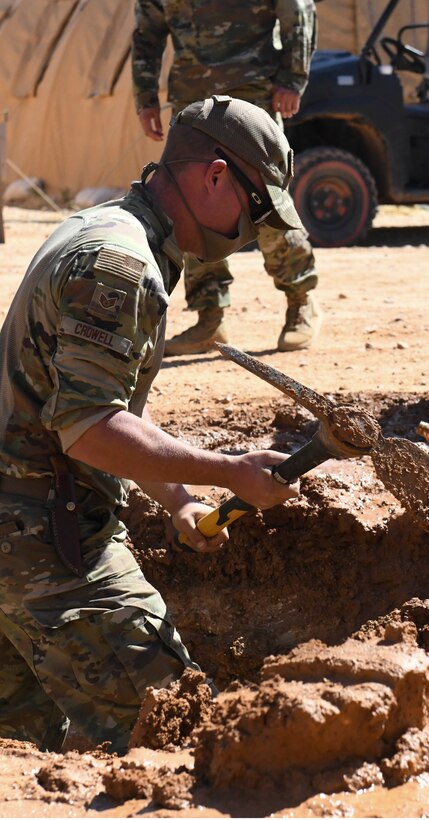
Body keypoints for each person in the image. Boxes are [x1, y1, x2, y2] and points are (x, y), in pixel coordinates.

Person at [0, 96, 301, 755]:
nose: (252, 233)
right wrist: (228, 471)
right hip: (45, 541)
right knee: (182, 738)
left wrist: (181, 500)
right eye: (255, 210)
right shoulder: (120, 266)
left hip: (22, 529)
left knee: (22, 754)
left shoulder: (106, 231)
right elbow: (89, 428)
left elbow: (105, 401)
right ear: (215, 175)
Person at [132, 0, 322, 355]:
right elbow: (147, 32)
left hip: (251, 92)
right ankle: (209, 316)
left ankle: (300, 301)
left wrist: (292, 78)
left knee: (264, 200)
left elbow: (296, 9)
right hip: (191, 97)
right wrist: (145, 97)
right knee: (191, 205)